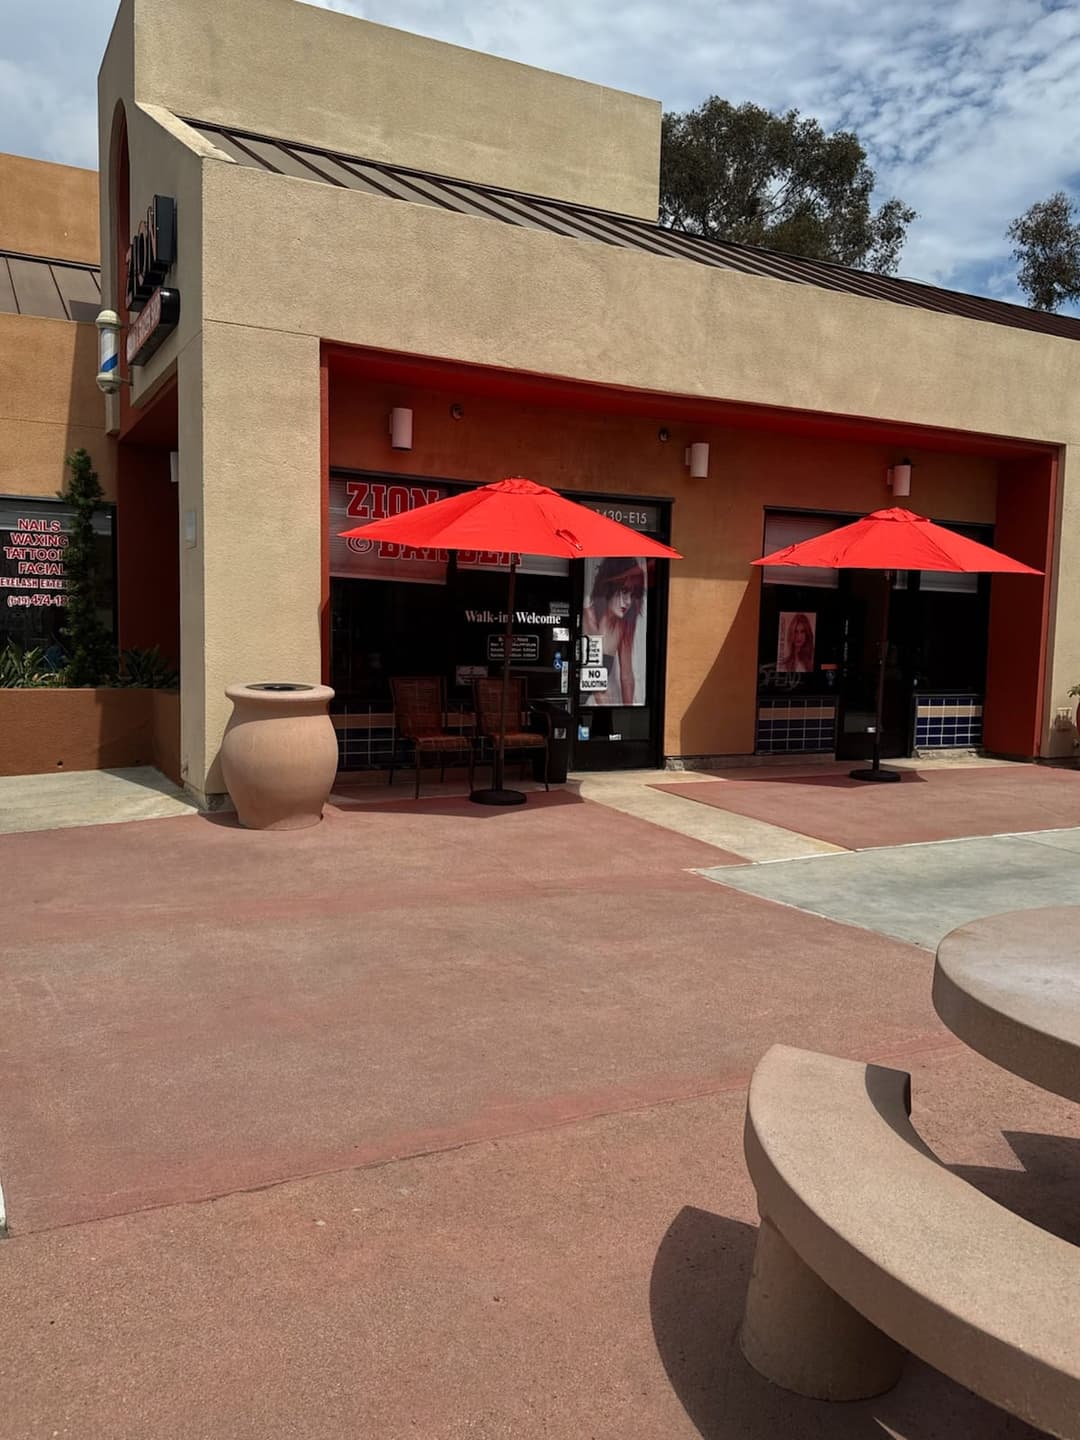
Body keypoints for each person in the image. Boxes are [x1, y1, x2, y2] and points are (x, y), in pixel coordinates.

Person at [582, 558, 646, 705]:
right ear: (609, 586)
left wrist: (629, 713)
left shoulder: (622, 626)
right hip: (577, 700)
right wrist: (612, 714)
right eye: (624, 591)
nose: (628, 601)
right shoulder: (588, 618)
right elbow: (594, 679)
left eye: (633, 593)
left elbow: (627, 676)